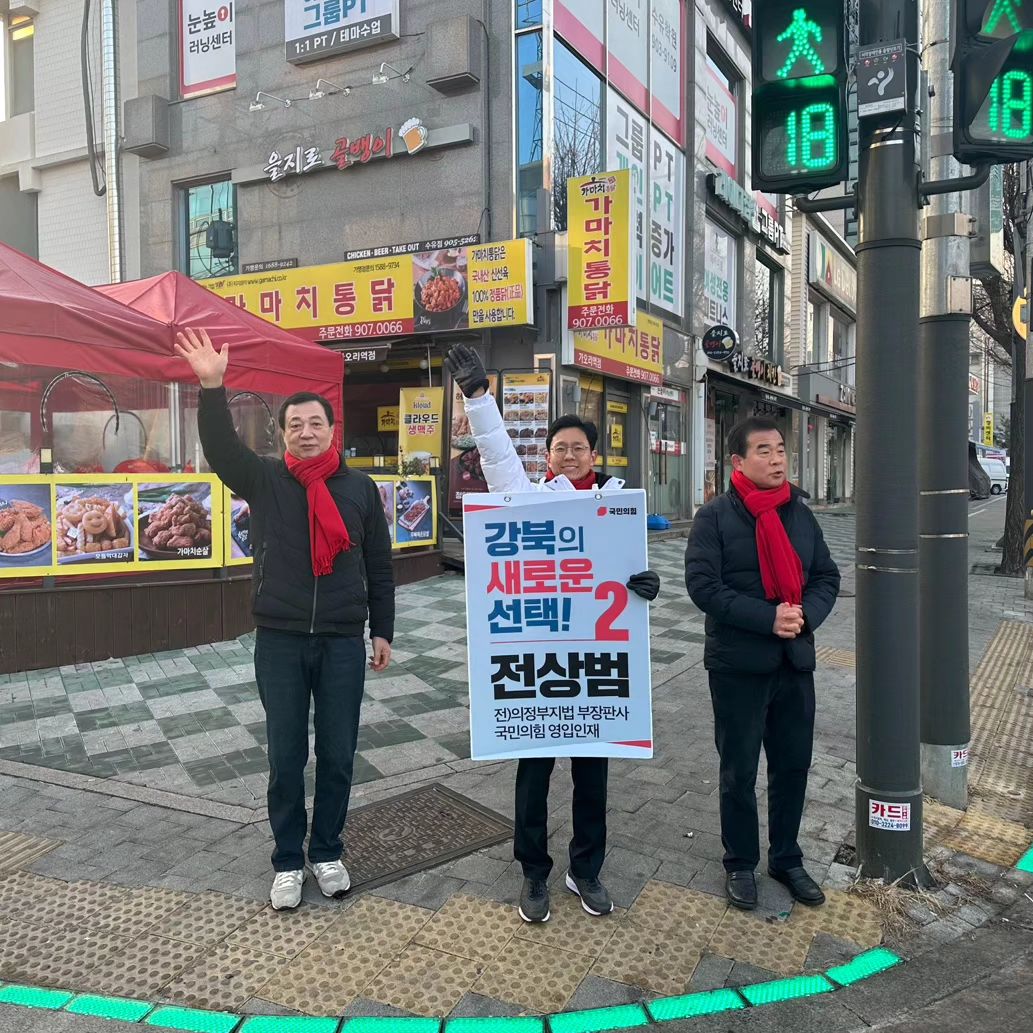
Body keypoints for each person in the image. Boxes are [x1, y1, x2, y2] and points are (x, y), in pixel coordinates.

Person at [175, 328, 394, 911]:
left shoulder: (360, 489)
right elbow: (222, 449)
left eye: (315, 422)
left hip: (343, 641)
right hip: (280, 639)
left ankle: (328, 852)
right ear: (282, 434)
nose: (305, 431)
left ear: (332, 430)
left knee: (340, 754)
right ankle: (288, 860)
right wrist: (212, 387)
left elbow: (379, 564)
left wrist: (382, 630)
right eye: (294, 424)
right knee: (286, 756)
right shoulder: (266, 480)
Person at [444, 343, 660, 924]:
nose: (568, 454)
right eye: (559, 447)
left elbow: (628, 576)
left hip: (595, 668)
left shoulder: (620, 505)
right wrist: (477, 396)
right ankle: (533, 872)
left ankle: (585, 869)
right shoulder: (529, 498)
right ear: (547, 455)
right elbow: (496, 455)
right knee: (533, 774)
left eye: (577, 447)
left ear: (594, 454)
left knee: (593, 775)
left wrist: (644, 584)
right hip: (538, 667)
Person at [684, 417, 839, 911]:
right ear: (739, 461)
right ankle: (740, 862)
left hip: (794, 661)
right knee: (739, 770)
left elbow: (827, 576)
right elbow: (703, 587)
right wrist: (767, 617)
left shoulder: (800, 513)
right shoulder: (714, 517)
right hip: (737, 666)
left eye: (781, 450)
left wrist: (803, 616)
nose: (777, 460)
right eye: (764, 451)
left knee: (793, 766)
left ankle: (786, 858)